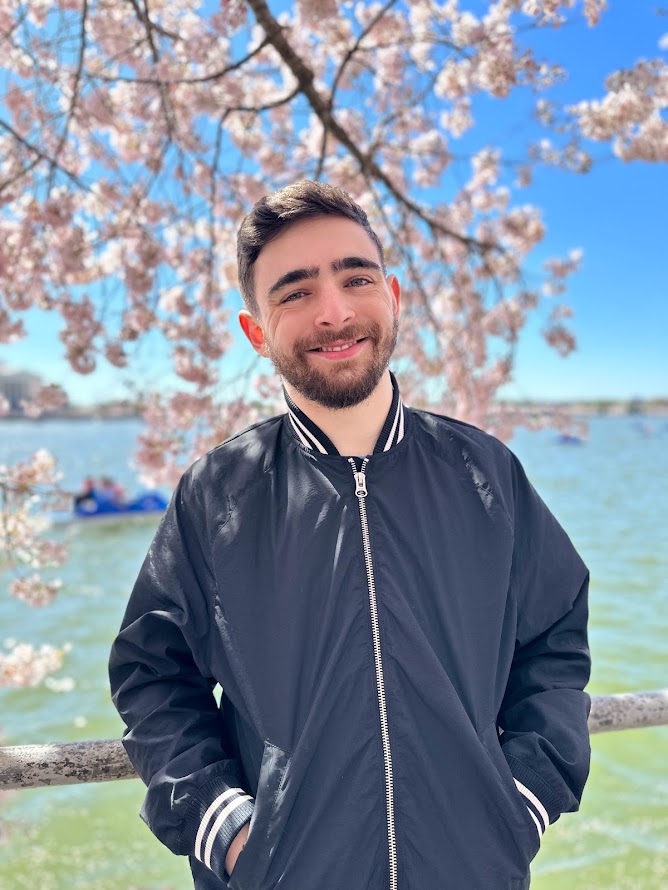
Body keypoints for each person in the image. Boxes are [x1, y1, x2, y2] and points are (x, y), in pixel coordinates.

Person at [109, 181, 591, 890]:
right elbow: (152, 674)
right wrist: (229, 830)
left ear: (392, 296)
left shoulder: (485, 473)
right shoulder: (218, 493)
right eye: (295, 292)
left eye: (354, 278)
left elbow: (554, 639)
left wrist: (520, 806)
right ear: (257, 331)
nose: (334, 312)